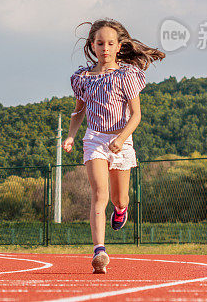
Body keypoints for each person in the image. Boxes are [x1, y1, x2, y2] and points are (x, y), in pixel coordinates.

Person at [63, 19, 164, 273]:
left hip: (121, 140)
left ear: (119, 46)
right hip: (95, 139)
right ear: (92, 46)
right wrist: (71, 136)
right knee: (99, 194)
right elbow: (78, 112)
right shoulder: (83, 78)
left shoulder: (126, 75)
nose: (105, 48)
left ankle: (121, 210)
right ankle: (99, 251)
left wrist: (120, 139)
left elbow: (136, 115)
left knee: (119, 198)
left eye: (110, 43)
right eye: (100, 43)